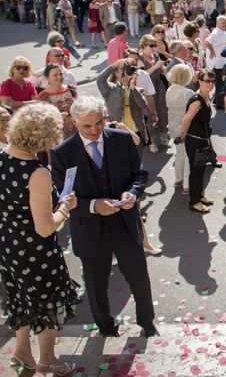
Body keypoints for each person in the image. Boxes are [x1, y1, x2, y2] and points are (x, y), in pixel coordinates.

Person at [51, 96, 157, 339]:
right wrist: (93, 206)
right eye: (87, 126)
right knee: (96, 286)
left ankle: (147, 324)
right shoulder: (62, 153)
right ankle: (107, 329)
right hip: (89, 231)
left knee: (139, 279)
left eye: (99, 123)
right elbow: (62, 198)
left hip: (125, 224)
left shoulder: (121, 140)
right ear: (74, 122)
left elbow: (140, 174)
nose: (94, 130)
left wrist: (133, 192)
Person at [0, 103, 80, 376]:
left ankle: (22, 352)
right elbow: (45, 228)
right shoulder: (37, 172)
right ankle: (47, 359)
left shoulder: (1, 157)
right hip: (35, 251)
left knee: (20, 299)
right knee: (46, 304)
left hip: (8, 245)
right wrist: (64, 208)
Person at [179, 68, 218, 213]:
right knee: (195, 171)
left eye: (213, 81)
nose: (211, 84)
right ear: (200, 81)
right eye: (207, 81)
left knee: (201, 170)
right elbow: (186, 119)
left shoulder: (206, 97)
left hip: (201, 140)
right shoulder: (197, 100)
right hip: (194, 141)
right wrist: (183, 135)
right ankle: (194, 202)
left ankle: (199, 195)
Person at [97, 58, 150, 151]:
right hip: (118, 133)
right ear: (116, 73)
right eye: (123, 69)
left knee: (137, 162)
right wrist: (114, 65)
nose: (126, 72)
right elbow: (100, 79)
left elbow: (143, 106)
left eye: (128, 68)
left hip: (136, 132)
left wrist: (133, 87)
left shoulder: (137, 89)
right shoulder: (110, 89)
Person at [166, 64, 194, 195]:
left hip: (172, 125)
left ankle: (178, 179)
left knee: (179, 153)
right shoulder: (187, 92)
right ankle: (187, 184)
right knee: (188, 154)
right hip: (185, 126)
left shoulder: (169, 90)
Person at [37, 64, 77, 139]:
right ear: (48, 78)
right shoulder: (43, 96)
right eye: (55, 75)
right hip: (59, 134)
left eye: (61, 74)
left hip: (76, 129)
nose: (59, 77)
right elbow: (43, 118)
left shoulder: (70, 89)